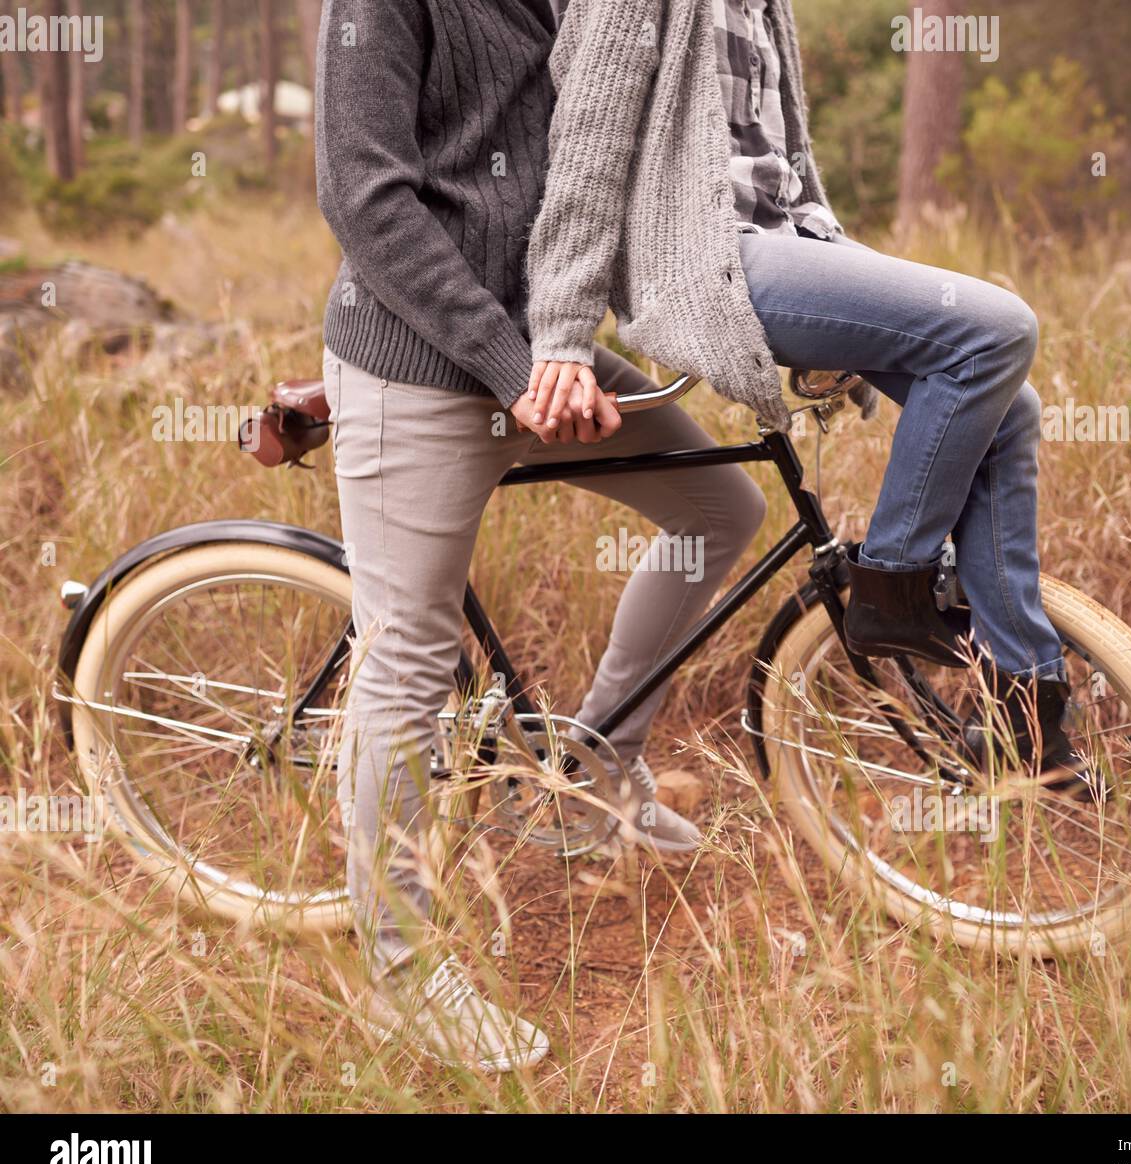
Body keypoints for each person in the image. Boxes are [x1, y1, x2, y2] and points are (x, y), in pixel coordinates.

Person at [314, 0, 766, 1073]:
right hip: (423, 369)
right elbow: (366, 202)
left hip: (539, 353)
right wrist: (513, 369)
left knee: (719, 508)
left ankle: (593, 771)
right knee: (409, 652)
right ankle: (405, 974)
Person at [527, 0, 1083, 776]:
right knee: (998, 329)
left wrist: (847, 298)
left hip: (783, 249)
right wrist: (562, 332)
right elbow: (585, 147)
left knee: (1010, 408)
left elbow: (787, 174)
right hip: (702, 267)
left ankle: (1023, 697)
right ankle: (892, 585)